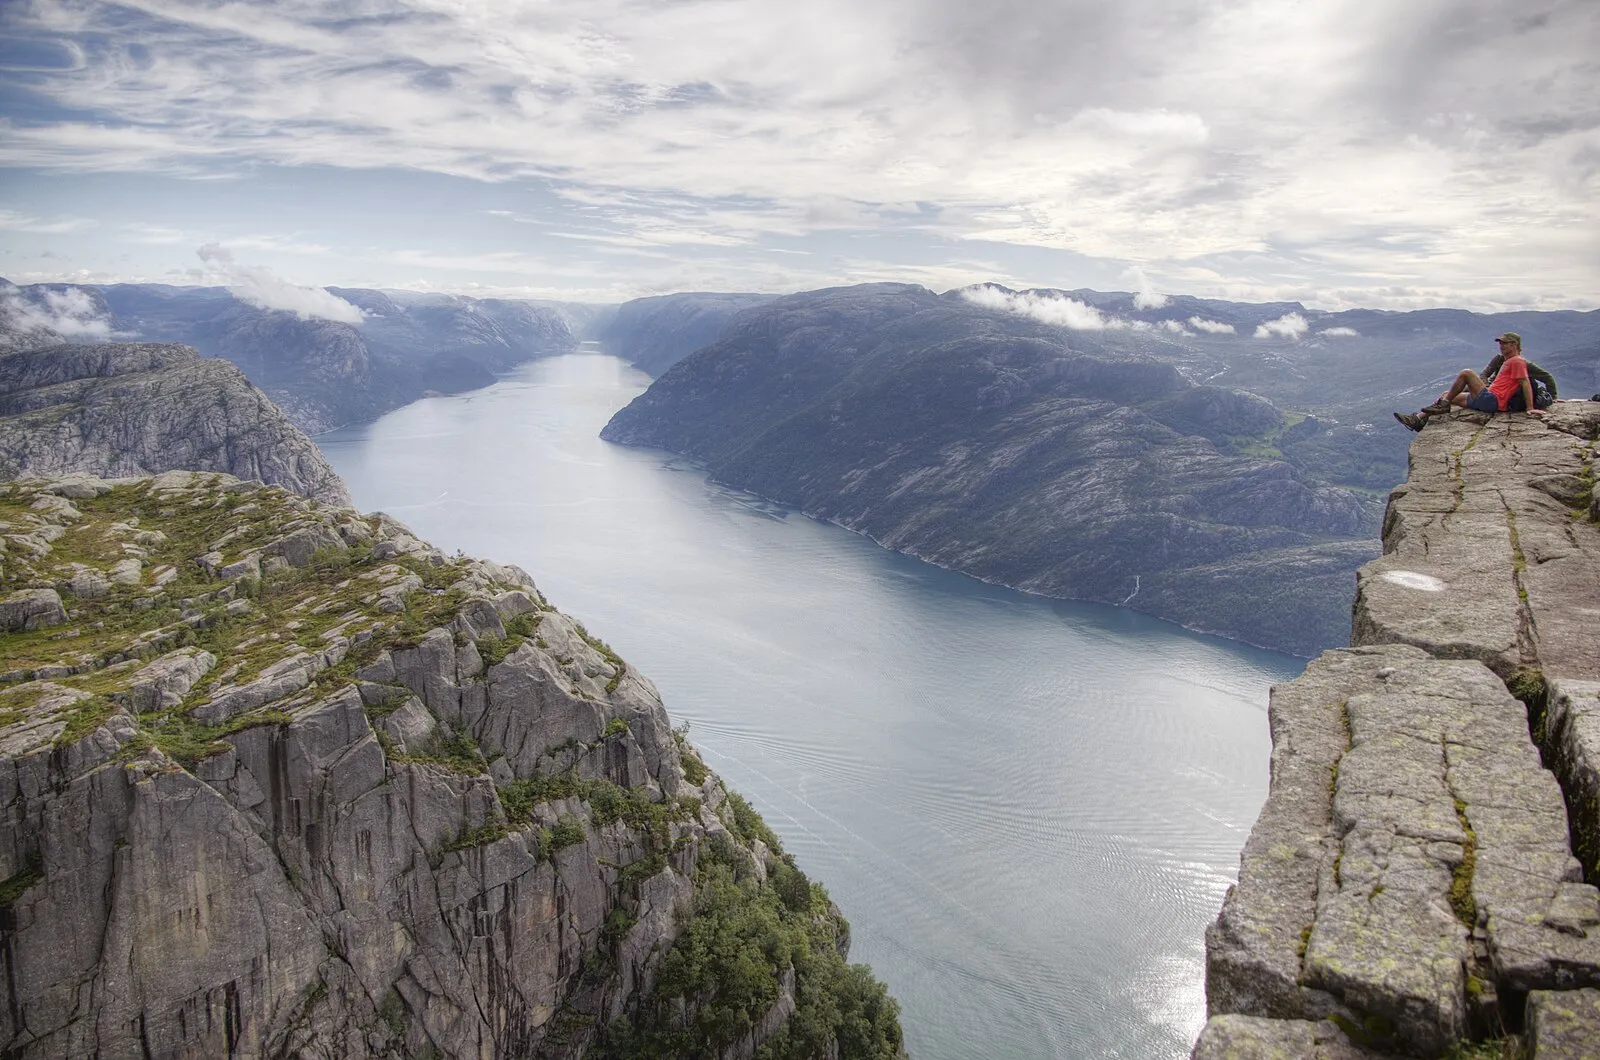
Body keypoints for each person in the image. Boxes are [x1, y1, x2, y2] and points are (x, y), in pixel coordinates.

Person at [1394, 333, 1549, 431]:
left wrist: (1530, 408)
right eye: (1500, 343)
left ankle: (1443, 405)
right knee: (1447, 394)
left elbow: (1525, 382)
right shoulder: (1508, 360)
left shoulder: (1517, 361)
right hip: (1489, 400)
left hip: (1494, 401)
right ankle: (1417, 420)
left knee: (1466, 373)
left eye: (1505, 343)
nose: (1501, 346)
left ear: (1514, 345)